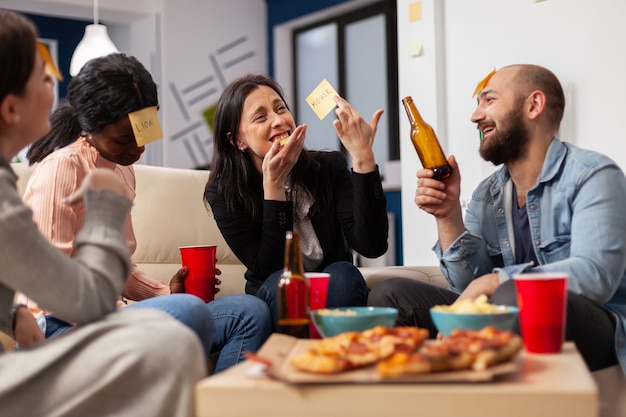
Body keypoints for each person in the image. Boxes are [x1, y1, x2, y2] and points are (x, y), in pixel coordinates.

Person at [0, 9, 206, 416]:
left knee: (232, 313)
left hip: (63, 318)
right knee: (178, 332)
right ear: (10, 109)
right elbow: (80, 299)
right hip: (63, 321)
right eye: (44, 77)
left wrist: (10, 313)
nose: (58, 91)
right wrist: (106, 209)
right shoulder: (61, 168)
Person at [20, 53, 271, 373]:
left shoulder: (122, 170)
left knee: (250, 311)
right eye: (124, 139)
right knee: (189, 312)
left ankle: (219, 404)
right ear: (90, 128)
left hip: (107, 319)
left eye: (144, 134)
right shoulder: (63, 169)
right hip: (58, 330)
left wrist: (165, 292)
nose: (137, 149)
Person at [368, 64, 626, 374]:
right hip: (509, 313)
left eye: (488, 100)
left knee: (513, 293)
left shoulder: (593, 175)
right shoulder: (487, 194)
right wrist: (448, 215)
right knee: (391, 295)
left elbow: (596, 276)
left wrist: (497, 280)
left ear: (534, 105)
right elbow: (467, 289)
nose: (475, 116)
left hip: (599, 326)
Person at [205, 73, 388, 328]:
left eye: (281, 109)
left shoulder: (328, 167)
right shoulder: (224, 193)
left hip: (335, 284)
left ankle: (340, 359)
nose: (279, 120)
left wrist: (363, 158)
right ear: (237, 140)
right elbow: (270, 268)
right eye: (261, 117)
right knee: (284, 281)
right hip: (274, 289)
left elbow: (372, 246)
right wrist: (274, 187)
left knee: (343, 274)